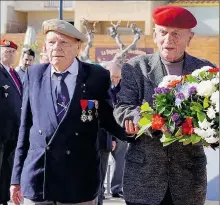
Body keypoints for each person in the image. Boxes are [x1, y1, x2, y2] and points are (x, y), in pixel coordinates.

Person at [10, 19, 127, 205]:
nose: (57, 48)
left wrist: (140, 130)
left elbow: (109, 120)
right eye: (51, 42)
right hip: (39, 177)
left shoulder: (96, 77)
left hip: (78, 181)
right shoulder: (34, 74)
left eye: (64, 42)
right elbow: (25, 129)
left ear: (78, 47)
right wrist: (16, 178)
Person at [114, 5, 215, 205]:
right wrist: (149, 121)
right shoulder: (136, 67)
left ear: (190, 38)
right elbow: (123, 107)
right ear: (154, 35)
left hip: (189, 181)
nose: (169, 40)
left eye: (176, 34)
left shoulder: (205, 71)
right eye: (163, 32)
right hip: (143, 179)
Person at [0, 39, 22, 205]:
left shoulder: (14, 74)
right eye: (6, 51)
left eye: (12, 52)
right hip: (1, 129)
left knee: (8, 166)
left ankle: (3, 197)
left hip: (13, 130)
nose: (10, 54)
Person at [108, 62, 128, 198]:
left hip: (119, 129)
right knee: (101, 162)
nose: (115, 80)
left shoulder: (124, 88)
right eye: (112, 77)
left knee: (120, 160)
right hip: (104, 129)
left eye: (117, 77)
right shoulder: (101, 86)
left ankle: (116, 188)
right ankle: (98, 191)